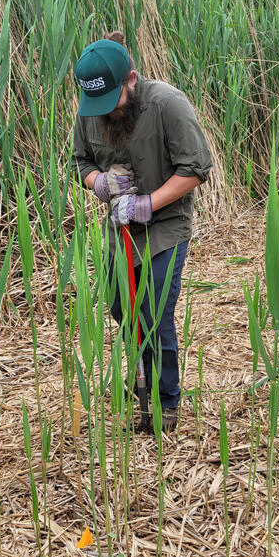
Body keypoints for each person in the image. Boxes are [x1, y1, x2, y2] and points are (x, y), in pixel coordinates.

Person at [72, 31, 212, 431]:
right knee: (121, 306)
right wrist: (99, 182)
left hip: (166, 225)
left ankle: (164, 401)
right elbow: (79, 162)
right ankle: (144, 370)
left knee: (155, 312)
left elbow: (196, 169)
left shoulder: (169, 104)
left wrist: (149, 203)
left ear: (131, 80)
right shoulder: (91, 111)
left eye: (111, 101)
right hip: (121, 228)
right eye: (94, 104)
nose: (104, 112)